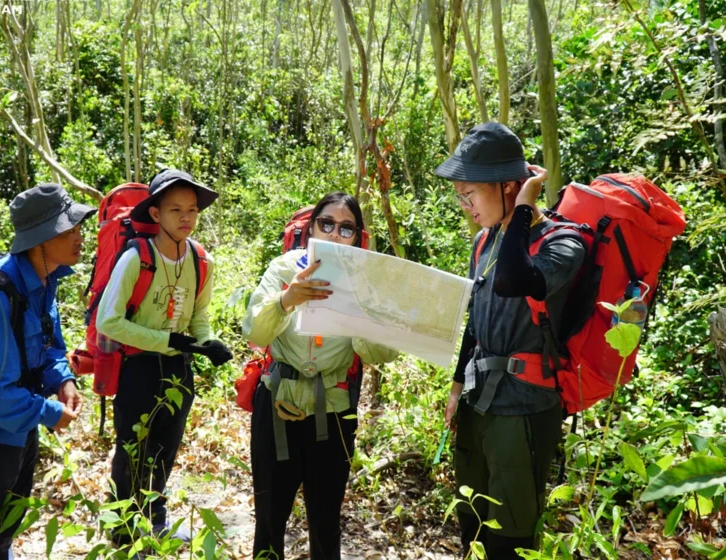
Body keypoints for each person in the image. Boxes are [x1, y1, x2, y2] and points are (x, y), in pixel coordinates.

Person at [436, 123, 586, 559]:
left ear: (508, 187)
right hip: (478, 400)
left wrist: (524, 209)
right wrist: (456, 385)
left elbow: (514, 280)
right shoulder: (485, 240)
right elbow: (475, 319)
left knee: (511, 534)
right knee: (472, 518)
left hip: (523, 407)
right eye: (459, 196)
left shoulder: (562, 241)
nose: (465, 206)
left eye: (471, 194)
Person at [0, 183, 93, 560]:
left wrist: (63, 379)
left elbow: (50, 346)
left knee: (6, 526)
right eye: (69, 229)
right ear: (41, 239)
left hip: (20, 432)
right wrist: (49, 413)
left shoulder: (45, 281)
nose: (80, 237)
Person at [242, 192, 398, 560]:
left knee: (326, 521)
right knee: (269, 519)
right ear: (311, 228)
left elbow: (385, 353)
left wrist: (356, 312)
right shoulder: (283, 269)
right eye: (326, 224)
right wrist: (287, 300)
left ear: (358, 238)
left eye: (346, 229)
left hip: (334, 410)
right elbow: (255, 333)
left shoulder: (366, 282)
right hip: (277, 406)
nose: (333, 235)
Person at [96, 169, 233, 542]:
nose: (186, 218)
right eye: (175, 210)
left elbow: (199, 316)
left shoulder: (200, 260)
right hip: (137, 366)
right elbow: (109, 321)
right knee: (132, 450)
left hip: (178, 369)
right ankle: (123, 531)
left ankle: (154, 520)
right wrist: (166, 340)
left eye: (192, 209)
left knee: (165, 448)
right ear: (155, 214)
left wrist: (207, 343)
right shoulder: (136, 258)